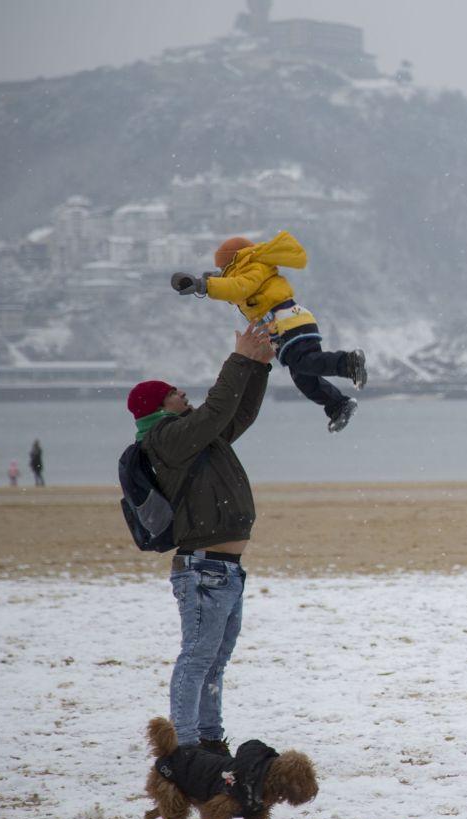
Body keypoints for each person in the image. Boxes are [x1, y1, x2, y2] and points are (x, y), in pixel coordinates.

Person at [130, 321, 274, 752]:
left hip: (225, 570)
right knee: (196, 661)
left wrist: (259, 368)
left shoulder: (194, 438)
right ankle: (186, 747)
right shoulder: (166, 439)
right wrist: (240, 358)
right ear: (159, 406)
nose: (182, 393)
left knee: (214, 662)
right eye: (174, 391)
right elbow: (215, 410)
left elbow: (236, 414)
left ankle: (210, 742)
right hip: (204, 569)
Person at [171, 231, 367, 433]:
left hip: (290, 322)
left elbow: (238, 288)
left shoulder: (254, 267)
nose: (221, 271)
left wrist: (205, 286)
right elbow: (234, 287)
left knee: (305, 362)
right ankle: (339, 405)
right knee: (303, 377)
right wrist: (206, 282)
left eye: (223, 268)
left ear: (233, 261)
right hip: (285, 327)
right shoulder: (250, 269)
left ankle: (349, 363)